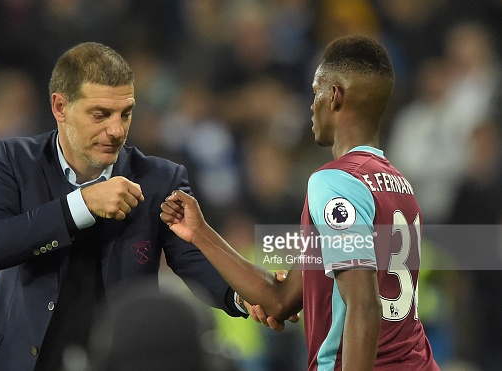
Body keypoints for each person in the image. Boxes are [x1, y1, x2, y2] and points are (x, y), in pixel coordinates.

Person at [0, 42, 252, 371]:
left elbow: (192, 260)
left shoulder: (160, 178)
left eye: (125, 113)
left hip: (115, 361)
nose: (116, 130)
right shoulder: (15, 161)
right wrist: (81, 205)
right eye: (100, 114)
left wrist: (244, 294)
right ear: (60, 107)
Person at [161, 35, 440, 370]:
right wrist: (200, 232)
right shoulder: (400, 186)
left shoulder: (335, 181)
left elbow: (362, 306)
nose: (311, 105)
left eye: (315, 91)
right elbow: (280, 300)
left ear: (334, 96)